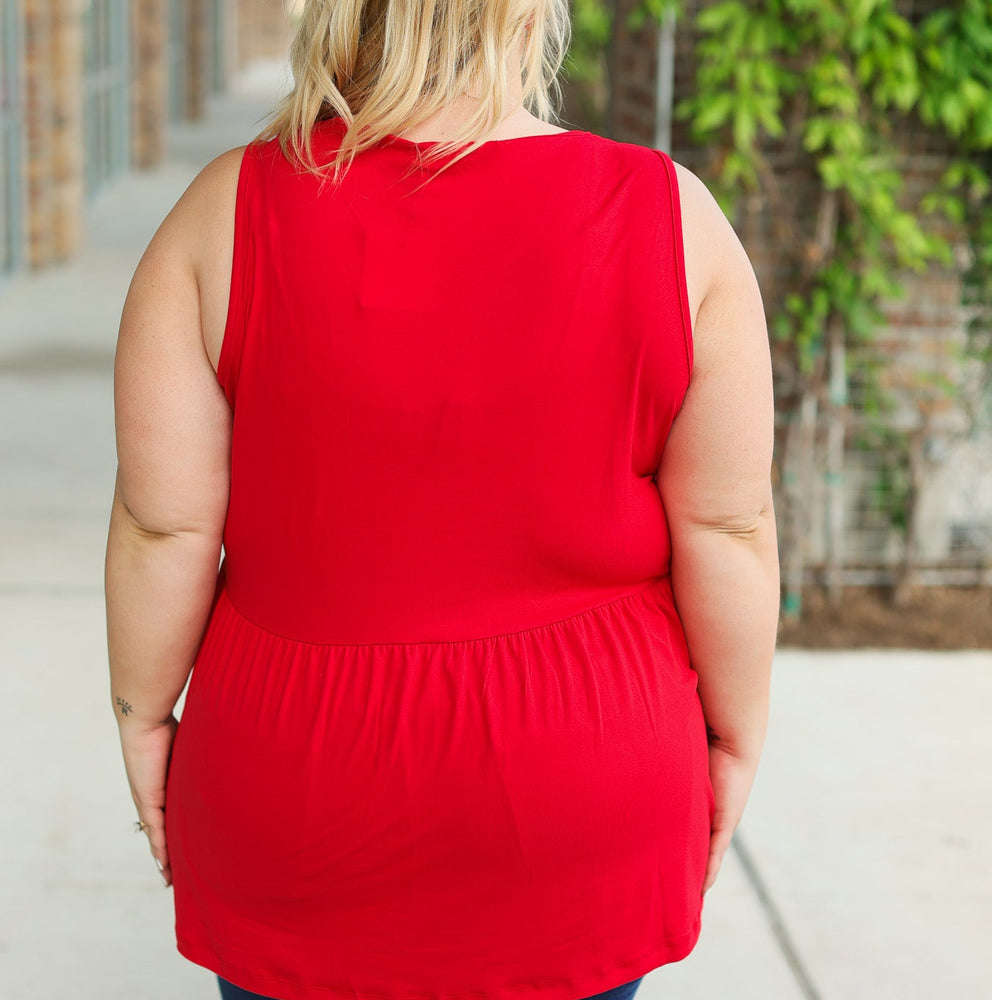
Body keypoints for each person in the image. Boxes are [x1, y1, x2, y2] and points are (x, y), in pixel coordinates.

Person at [104, 2, 780, 999]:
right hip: (585, 778)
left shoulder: (224, 212)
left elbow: (165, 526)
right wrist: (733, 736)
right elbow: (725, 526)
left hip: (295, 784)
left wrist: (143, 718)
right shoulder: (672, 215)